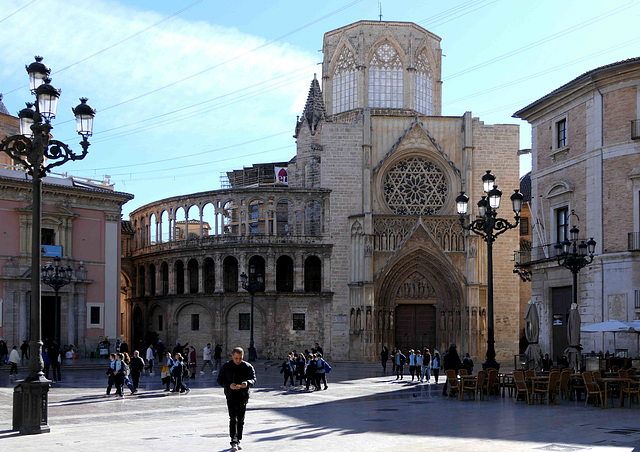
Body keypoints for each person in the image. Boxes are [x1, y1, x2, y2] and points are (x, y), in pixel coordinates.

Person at [217, 347, 256, 452]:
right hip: (231, 395)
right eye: (236, 358)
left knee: (241, 419)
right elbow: (219, 380)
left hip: (242, 395)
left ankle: (238, 440)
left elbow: (254, 379)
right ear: (232, 356)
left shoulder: (247, 366)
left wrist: (247, 383)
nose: (238, 360)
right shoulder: (226, 366)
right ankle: (233, 441)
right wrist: (229, 385)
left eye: (240, 358)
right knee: (233, 418)